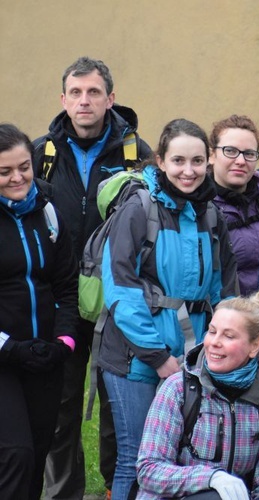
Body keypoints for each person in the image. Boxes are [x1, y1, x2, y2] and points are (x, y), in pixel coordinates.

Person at [31, 56, 152, 500]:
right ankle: (63, 493)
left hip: (117, 300)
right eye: (76, 93)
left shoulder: (140, 156)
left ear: (110, 99)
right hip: (58, 301)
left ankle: (116, 491)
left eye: (94, 92)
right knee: (60, 409)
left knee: (119, 407)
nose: (85, 101)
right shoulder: (39, 155)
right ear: (63, 99)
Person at [98, 118, 238, 498]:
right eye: (178, 161)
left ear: (208, 161)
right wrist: (158, 357)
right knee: (135, 457)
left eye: (196, 161)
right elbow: (121, 291)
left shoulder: (211, 215)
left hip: (192, 356)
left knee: (179, 458)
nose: (188, 171)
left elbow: (222, 290)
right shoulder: (137, 209)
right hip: (136, 358)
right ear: (160, 161)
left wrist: (219, 345)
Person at [136, 286, 259, 500]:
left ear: (254, 346)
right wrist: (211, 478)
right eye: (212, 331)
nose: (214, 342)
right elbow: (148, 470)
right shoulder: (177, 388)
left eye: (228, 336)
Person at [0, 123, 78, 500]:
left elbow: (65, 284)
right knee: (15, 454)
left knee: (36, 454)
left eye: (24, 167)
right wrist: (11, 348)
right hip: (3, 359)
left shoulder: (47, 212)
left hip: (45, 356)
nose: (18, 177)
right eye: (5, 171)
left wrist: (63, 342)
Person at [209, 115, 259, 294]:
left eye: (249, 153)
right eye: (230, 151)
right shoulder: (196, 208)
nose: (240, 161)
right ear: (211, 155)